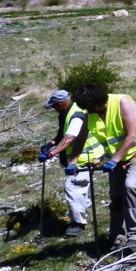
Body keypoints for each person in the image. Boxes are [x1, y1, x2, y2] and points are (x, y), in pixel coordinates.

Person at [73, 84, 136, 252]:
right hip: (117, 159)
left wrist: (115, 159)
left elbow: (131, 135)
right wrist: (73, 161)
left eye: (91, 108)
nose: (90, 112)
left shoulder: (123, 102)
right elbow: (81, 137)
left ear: (98, 102)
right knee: (116, 197)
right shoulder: (90, 114)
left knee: (131, 187)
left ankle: (134, 237)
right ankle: (115, 236)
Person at [40, 90, 103, 237]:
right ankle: (83, 213)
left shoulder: (75, 116)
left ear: (61, 104)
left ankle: (77, 224)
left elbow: (69, 138)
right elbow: (62, 134)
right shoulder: (68, 112)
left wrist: (50, 154)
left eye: (54, 106)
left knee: (72, 187)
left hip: (84, 158)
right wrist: (51, 143)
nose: (54, 109)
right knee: (79, 188)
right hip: (86, 156)